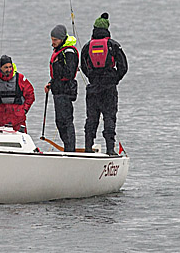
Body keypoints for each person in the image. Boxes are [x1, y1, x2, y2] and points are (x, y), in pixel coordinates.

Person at [80, 12, 128, 154]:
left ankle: (88, 147)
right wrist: (114, 79)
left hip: (93, 87)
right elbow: (123, 67)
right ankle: (110, 150)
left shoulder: (87, 46)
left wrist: (92, 78)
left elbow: (83, 66)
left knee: (91, 119)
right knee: (109, 117)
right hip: (109, 88)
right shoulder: (113, 45)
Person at [45, 24, 79, 152]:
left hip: (66, 91)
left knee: (66, 121)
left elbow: (69, 73)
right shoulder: (59, 51)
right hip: (58, 90)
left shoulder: (68, 52)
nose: (53, 42)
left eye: (55, 40)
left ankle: (70, 149)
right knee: (59, 121)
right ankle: (67, 146)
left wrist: (57, 65)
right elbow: (57, 75)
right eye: (52, 39)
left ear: (62, 39)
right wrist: (51, 83)